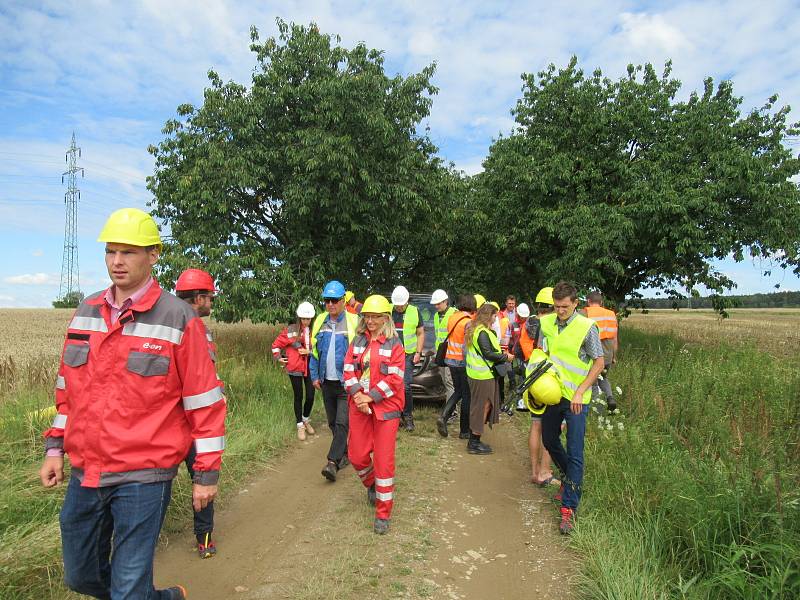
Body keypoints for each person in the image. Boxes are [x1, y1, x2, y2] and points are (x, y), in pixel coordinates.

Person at [40, 208, 225, 599]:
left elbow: (205, 403)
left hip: (145, 474)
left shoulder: (178, 317)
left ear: (153, 254)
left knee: (127, 587)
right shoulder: (86, 311)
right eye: (111, 252)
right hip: (86, 470)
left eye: (129, 252)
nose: (117, 261)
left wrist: (206, 474)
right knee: (80, 576)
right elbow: (67, 391)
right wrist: (55, 446)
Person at [538, 281, 604, 535]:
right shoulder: (548, 324)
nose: (560, 311)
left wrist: (580, 391)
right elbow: (544, 356)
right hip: (553, 396)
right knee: (549, 439)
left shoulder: (587, 327)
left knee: (575, 451)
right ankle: (572, 479)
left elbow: (598, 363)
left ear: (576, 304)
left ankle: (569, 508)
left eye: (565, 307)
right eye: (556, 307)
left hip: (577, 399)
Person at [342, 295, 406, 535]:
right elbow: (348, 369)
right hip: (359, 406)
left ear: (385, 318)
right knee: (357, 456)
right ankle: (371, 484)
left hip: (385, 409)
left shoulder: (395, 345)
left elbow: (396, 379)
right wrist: (358, 394)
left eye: (375, 316)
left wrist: (371, 397)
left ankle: (383, 512)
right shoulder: (358, 341)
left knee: (383, 461)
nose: (370, 321)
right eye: (367, 316)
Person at [175, 267, 225, 559]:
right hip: (184, 425)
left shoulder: (200, 329)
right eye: (210, 297)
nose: (211, 303)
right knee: (202, 478)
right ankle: (204, 541)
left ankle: (204, 538)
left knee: (200, 477)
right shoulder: (185, 328)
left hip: (191, 421)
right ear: (198, 298)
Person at [310, 280, 359, 482]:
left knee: (341, 423)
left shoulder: (354, 321)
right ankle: (344, 453)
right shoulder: (320, 321)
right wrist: (314, 375)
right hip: (326, 381)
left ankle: (332, 462)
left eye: (334, 300)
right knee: (332, 422)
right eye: (327, 300)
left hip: (345, 382)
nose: (330, 304)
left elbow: (360, 353)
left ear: (343, 301)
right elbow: (314, 352)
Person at [514, 289, 559, 489]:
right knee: (553, 428)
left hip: (531, 379)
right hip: (548, 381)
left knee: (536, 425)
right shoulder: (552, 325)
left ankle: (534, 471)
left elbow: (519, 350)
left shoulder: (529, 323)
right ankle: (545, 471)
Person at [464, 302, 513, 454]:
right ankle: (474, 442)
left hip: (478, 375)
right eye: (494, 315)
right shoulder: (483, 333)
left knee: (480, 406)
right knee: (482, 407)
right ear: (488, 316)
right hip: (483, 376)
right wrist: (506, 357)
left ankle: (475, 439)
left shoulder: (477, 329)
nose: (496, 318)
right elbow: (488, 353)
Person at [272, 301, 318, 440]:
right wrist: (278, 357)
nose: (306, 321)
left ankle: (305, 419)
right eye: (303, 318)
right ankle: (299, 425)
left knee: (310, 395)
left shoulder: (316, 330)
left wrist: (309, 351)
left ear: (312, 318)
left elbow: (319, 348)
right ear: (299, 317)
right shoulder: (291, 329)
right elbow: (276, 345)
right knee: (298, 396)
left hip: (310, 367)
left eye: (308, 319)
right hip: (295, 368)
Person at [435, 294, 476, 438]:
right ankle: (464, 431)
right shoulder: (469, 322)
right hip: (462, 362)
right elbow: (467, 346)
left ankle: (443, 417)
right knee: (466, 396)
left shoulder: (452, 317)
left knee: (458, 391)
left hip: (450, 360)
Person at [391, 285, 424, 432]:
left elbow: (420, 333)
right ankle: (395, 416)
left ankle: (408, 416)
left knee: (405, 386)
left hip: (407, 354)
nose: (398, 307)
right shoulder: (388, 311)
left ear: (406, 302)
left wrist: (418, 352)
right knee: (392, 386)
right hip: (391, 355)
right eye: (396, 305)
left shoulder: (414, 311)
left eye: (401, 305)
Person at [582, 291, 619, 412]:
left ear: (588, 301)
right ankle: (610, 397)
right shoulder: (611, 314)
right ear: (601, 302)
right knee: (603, 377)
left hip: (592, 354)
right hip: (608, 354)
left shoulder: (584, 313)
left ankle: (597, 409)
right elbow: (615, 338)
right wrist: (614, 356)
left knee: (592, 381)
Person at [430, 288, 456, 403]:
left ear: (446, 301)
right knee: (445, 381)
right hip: (441, 353)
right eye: (435, 304)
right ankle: (451, 407)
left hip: (451, 353)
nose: (436, 306)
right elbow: (438, 335)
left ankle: (451, 411)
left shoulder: (454, 314)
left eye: (438, 303)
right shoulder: (436, 316)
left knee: (449, 381)